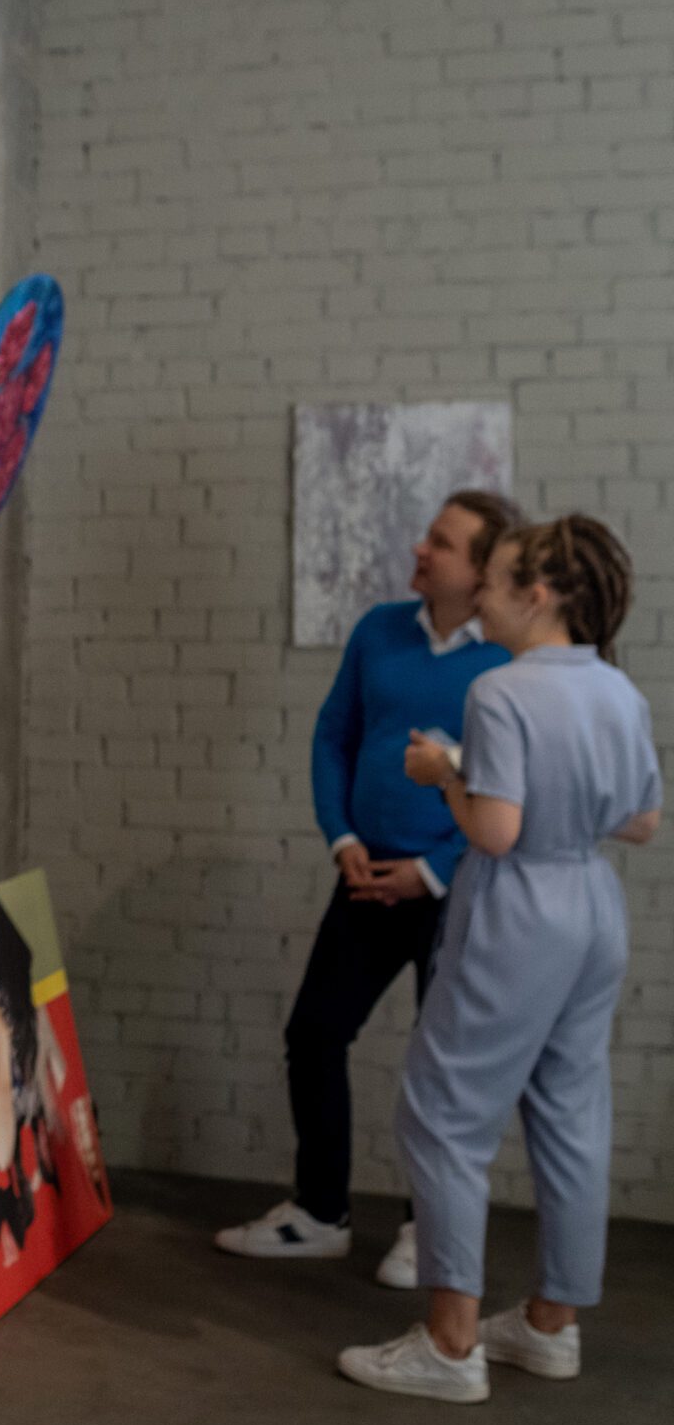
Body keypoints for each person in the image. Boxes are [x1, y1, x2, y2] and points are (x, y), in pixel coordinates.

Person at [339, 515, 660, 1402]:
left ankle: (450, 1344)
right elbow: (640, 820)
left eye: (500, 576)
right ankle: (552, 1324)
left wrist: (446, 770)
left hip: (518, 907)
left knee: (442, 1114)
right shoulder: (616, 692)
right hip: (593, 906)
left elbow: (496, 828)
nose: (480, 589)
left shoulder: (503, 691)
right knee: (570, 1112)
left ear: (540, 594)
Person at [217, 491, 518, 1279]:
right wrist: (342, 837)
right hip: (364, 875)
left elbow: (517, 790)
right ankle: (321, 1212)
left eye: (442, 544)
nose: (421, 549)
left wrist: (432, 869)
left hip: (457, 891)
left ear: (481, 570)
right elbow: (333, 735)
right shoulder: (379, 629)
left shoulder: (509, 660)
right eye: (427, 536)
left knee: (442, 1066)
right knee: (315, 1033)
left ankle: (431, 1230)